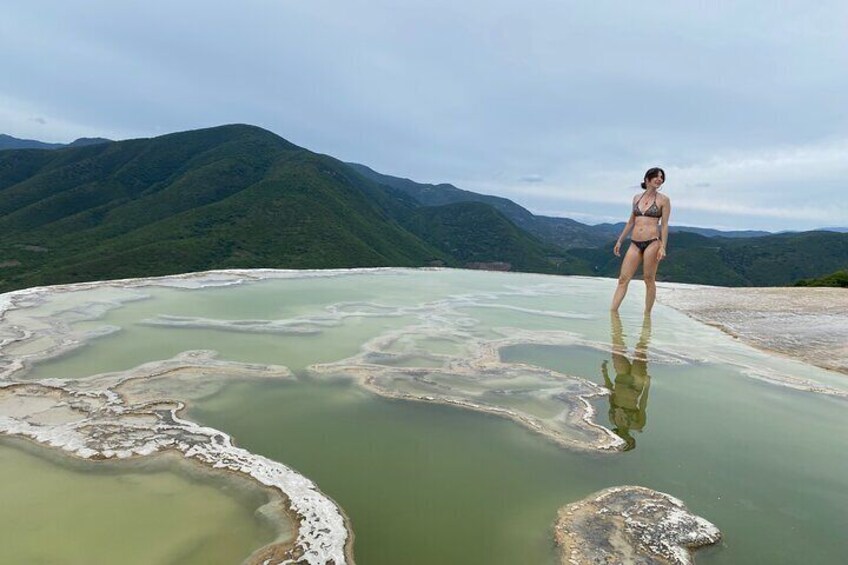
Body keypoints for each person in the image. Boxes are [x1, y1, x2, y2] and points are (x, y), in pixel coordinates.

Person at [610, 167, 671, 313]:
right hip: (634, 243)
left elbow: (664, 225)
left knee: (649, 279)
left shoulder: (664, 200)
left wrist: (663, 246)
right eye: (656, 176)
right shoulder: (637, 198)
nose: (659, 179)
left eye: (661, 177)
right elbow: (631, 222)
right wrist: (620, 241)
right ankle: (612, 312)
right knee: (623, 279)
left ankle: (647, 315)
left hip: (652, 242)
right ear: (647, 179)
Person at [601, 312, 652, 451]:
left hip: (621, 381)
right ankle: (646, 321)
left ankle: (616, 321)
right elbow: (642, 405)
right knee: (640, 350)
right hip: (636, 385)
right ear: (630, 440)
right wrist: (647, 386)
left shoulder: (612, 419)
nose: (624, 439)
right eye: (627, 442)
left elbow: (611, 396)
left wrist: (605, 375)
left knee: (617, 348)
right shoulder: (638, 424)